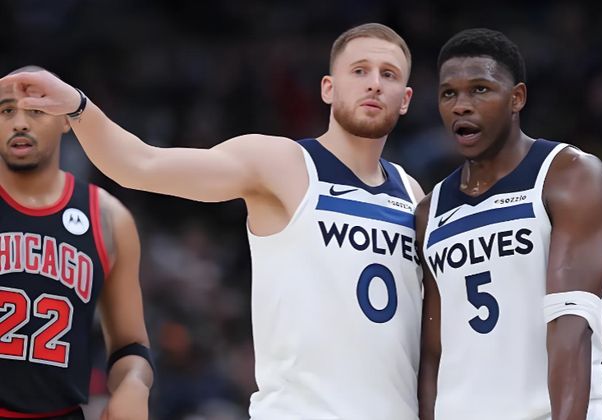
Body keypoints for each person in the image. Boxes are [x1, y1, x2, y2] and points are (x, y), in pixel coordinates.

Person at [0, 24, 426, 419]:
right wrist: (78, 106)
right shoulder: (283, 163)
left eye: (388, 74)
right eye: (359, 70)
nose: (374, 82)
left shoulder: (415, 197)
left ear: (405, 99)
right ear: (328, 88)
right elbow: (140, 165)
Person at [415, 28, 602, 420]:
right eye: (449, 94)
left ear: (516, 98)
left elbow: (572, 325)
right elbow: (433, 353)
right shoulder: (429, 211)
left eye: (480, 90)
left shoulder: (568, 175)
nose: (461, 105)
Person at [0, 66, 154, 419]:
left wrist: (134, 383)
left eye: (36, 110)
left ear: (65, 120)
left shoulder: (109, 218)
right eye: (7, 110)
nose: (20, 123)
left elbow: (130, 345)